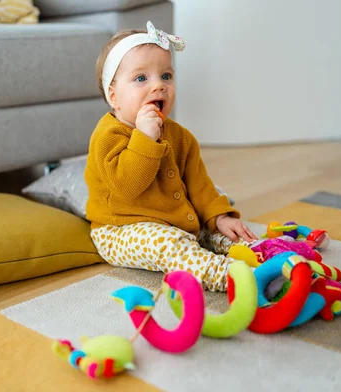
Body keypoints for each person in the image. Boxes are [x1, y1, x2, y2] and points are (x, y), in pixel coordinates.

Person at [84, 21, 257, 292]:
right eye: (141, 78)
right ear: (114, 96)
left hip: (174, 220)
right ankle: (226, 275)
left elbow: (199, 185)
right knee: (171, 244)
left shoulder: (180, 136)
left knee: (214, 231)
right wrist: (144, 139)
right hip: (121, 229)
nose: (159, 86)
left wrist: (219, 216)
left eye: (166, 76)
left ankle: (260, 253)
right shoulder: (107, 136)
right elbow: (127, 187)